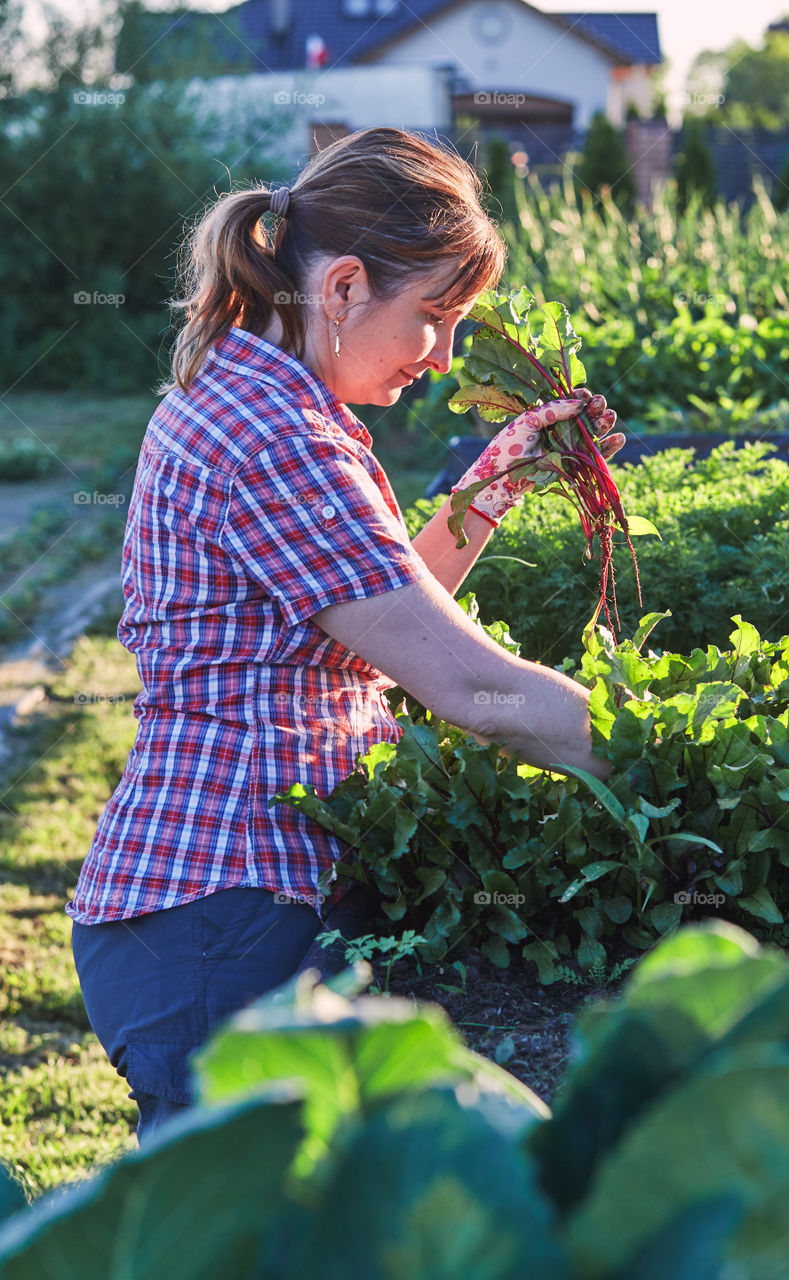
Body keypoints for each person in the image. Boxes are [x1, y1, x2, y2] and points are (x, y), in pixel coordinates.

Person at [67, 127, 624, 1147]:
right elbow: (473, 688)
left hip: (212, 903)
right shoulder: (275, 433)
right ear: (345, 286)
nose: (444, 356)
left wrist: (491, 484)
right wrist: (656, 755)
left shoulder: (263, 398)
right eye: (434, 318)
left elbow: (365, 627)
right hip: (220, 910)